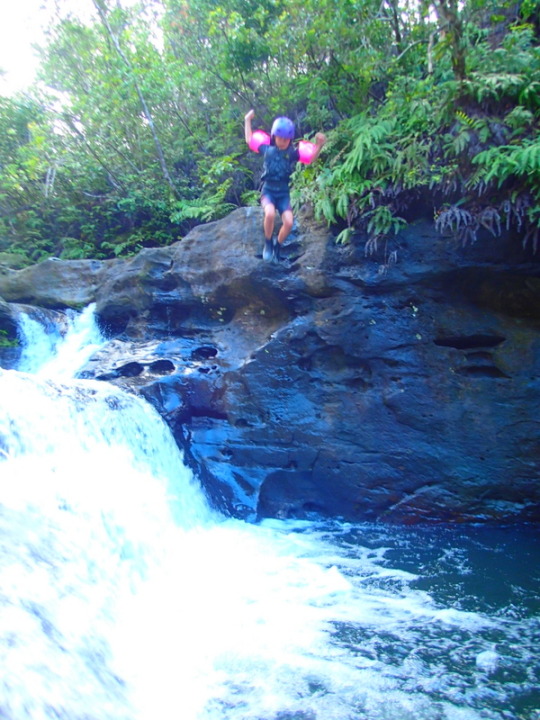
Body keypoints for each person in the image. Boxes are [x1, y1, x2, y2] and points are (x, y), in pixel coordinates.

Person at [244, 109, 326, 261]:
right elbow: (249, 140)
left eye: (286, 139)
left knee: (288, 222)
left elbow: (311, 158)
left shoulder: (292, 154)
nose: (282, 141)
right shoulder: (267, 149)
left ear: (290, 140)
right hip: (268, 191)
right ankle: (268, 243)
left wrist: (319, 145)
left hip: (283, 194)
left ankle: (277, 246)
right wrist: (247, 120)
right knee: (269, 213)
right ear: (274, 137)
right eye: (280, 138)